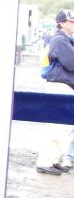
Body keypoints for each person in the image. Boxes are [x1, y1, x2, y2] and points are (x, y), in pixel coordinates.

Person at [35, 9, 74, 175]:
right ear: (62, 23)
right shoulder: (60, 39)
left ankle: (52, 159)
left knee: (63, 127)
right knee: (56, 126)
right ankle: (45, 161)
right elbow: (71, 63)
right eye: (71, 21)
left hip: (63, 85)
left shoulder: (65, 40)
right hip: (60, 85)